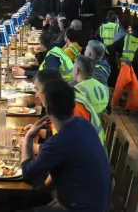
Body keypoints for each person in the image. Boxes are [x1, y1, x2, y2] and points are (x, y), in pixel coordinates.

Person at [20, 79, 110, 212]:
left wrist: (28, 138)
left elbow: (28, 174)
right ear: (73, 106)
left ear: (48, 109)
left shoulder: (59, 142)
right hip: (99, 204)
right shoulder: (83, 124)